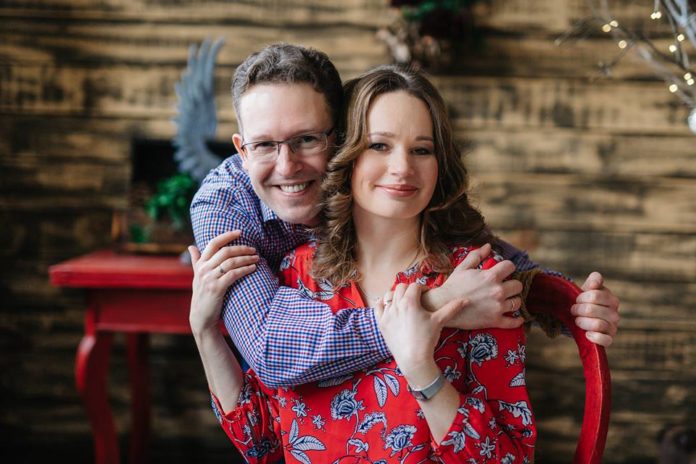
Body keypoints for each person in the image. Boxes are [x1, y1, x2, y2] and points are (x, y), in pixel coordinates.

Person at [189, 43, 621, 391]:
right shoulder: (224, 206)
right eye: (264, 145)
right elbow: (272, 352)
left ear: (341, 137)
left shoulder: (393, 201)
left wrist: (572, 305)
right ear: (241, 149)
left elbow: (491, 256)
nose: (287, 166)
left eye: (307, 139)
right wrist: (438, 305)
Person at [191, 64, 537, 461]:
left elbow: (510, 458)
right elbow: (262, 444)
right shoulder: (297, 274)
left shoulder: (476, 283)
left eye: (422, 150)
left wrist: (423, 373)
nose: (402, 168)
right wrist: (205, 332)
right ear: (345, 154)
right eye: (379, 146)